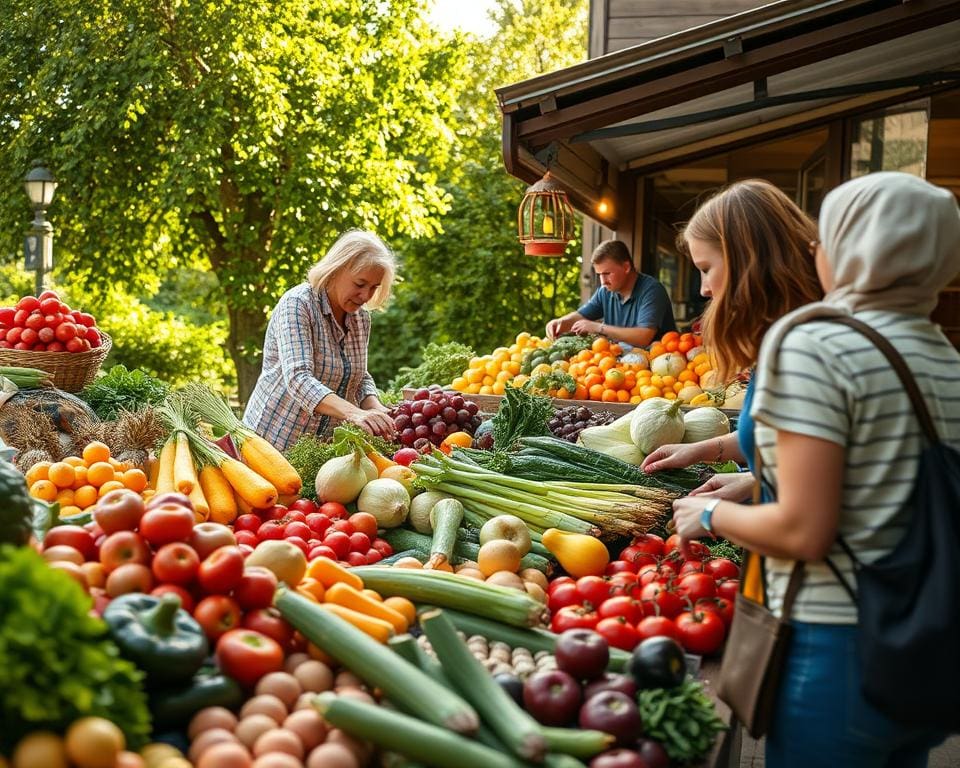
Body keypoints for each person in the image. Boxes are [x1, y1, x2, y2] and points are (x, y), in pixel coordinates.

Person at [672, 172, 960, 766]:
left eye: (824, 239)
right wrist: (756, 480)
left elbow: (806, 531)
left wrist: (710, 513)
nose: (814, 252)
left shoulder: (813, 344)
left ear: (856, 247)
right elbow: (879, 473)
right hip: (923, 650)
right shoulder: (943, 356)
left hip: (834, 651)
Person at [640, 179, 823, 502]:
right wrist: (703, 452)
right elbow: (783, 446)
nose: (703, 289)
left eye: (706, 269)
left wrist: (713, 514)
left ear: (746, 261)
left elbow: (816, 498)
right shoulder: (783, 338)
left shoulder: (805, 349)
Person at [243, 229, 396, 451]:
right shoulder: (298, 304)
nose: (366, 296)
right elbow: (298, 378)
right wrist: (355, 413)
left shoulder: (360, 318)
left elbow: (358, 375)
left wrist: (375, 408)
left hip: (319, 451)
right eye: (360, 284)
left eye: (374, 287)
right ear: (335, 270)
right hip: (269, 444)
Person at [545, 240, 676, 349]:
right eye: (599, 275)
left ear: (626, 267)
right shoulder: (605, 291)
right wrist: (560, 322)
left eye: (607, 273)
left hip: (658, 371)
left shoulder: (652, 290)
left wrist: (598, 328)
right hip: (620, 366)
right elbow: (580, 316)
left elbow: (643, 337)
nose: (603, 281)